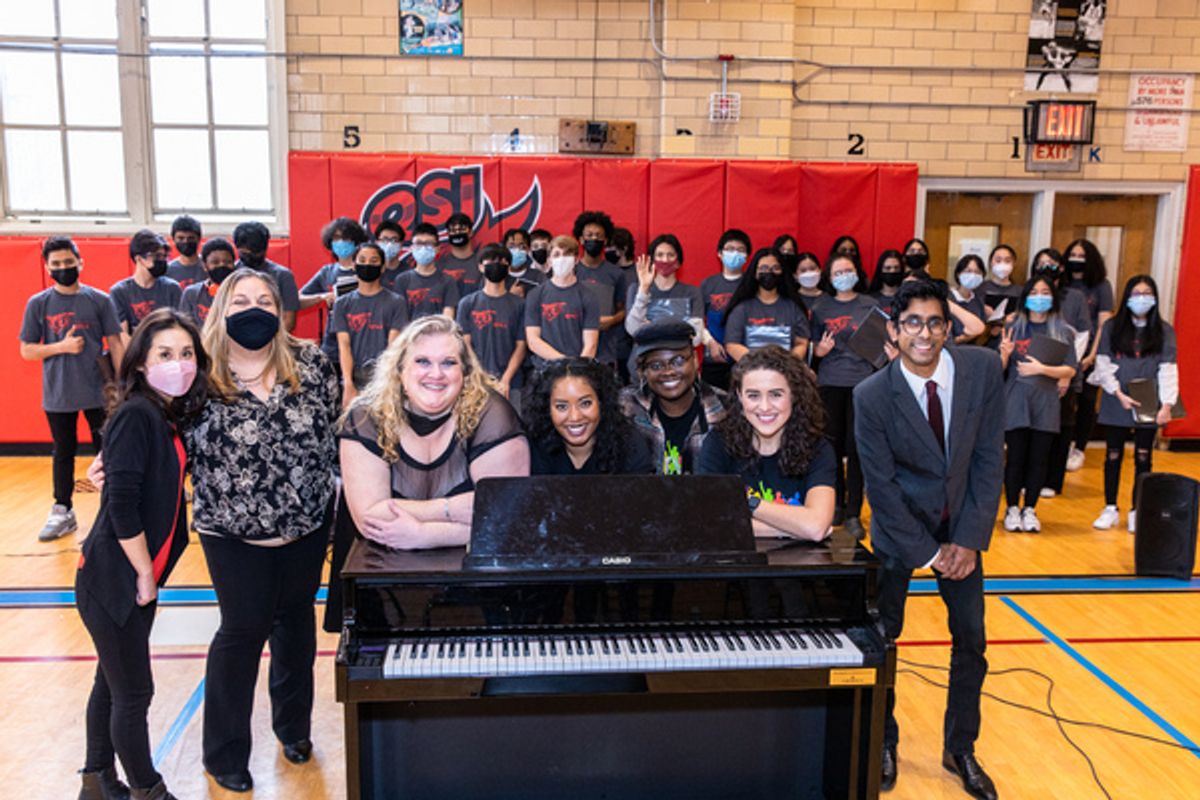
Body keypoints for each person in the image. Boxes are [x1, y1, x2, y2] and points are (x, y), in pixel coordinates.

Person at [190, 268, 340, 792]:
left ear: (281, 311)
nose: (254, 308)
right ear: (220, 308)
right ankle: (224, 753)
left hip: (307, 523)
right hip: (231, 532)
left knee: (296, 620)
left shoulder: (313, 363)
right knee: (243, 629)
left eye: (266, 300)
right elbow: (158, 429)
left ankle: (293, 728)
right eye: (241, 300)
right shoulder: (197, 372)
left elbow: (332, 431)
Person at [854, 279, 1004, 800]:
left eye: (935, 321)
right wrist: (930, 551)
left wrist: (967, 539)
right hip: (901, 531)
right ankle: (885, 741)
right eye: (912, 322)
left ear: (949, 326)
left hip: (962, 525)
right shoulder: (870, 395)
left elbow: (988, 457)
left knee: (972, 641)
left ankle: (960, 747)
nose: (925, 332)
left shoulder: (982, 370)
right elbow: (881, 487)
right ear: (894, 331)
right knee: (883, 640)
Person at [75, 308, 208, 800]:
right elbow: (123, 508)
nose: (179, 363)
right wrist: (144, 574)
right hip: (116, 578)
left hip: (129, 576)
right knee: (134, 694)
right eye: (165, 354)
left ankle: (96, 780)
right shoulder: (138, 414)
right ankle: (149, 790)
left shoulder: (163, 414)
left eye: (186, 354)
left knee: (110, 683)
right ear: (141, 363)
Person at [338, 314, 531, 549]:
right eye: (422, 361)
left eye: (449, 363)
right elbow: (370, 518)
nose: (436, 374)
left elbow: (504, 515)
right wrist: (454, 508)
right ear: (400, 371)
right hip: (380, 568)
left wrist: (425, 534)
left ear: (465, 373)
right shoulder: (366, 416)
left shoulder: (492, 414)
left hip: (471, 571)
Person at [20, 236, 126, 541]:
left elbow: (116, 342)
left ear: (80, 262)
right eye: (56, 264)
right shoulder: (38, 304)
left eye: (68, 262)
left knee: (107, 450)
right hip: (59, 393)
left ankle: (113, 507)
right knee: (63, 451)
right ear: (47, 267)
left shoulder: (99, 300)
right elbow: (27, 350)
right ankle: (62, 509)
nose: (63, 268)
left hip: (99, 392)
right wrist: (62, 346)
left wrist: (122, 383)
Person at [696, 346, 835, 540]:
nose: (765, 407)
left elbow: (816, 527)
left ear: (794, 395)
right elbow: (707, 522)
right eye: (753, 395)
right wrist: (794, 528)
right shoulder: (719, 442)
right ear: (739, 396)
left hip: (799, 565)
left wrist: (748, 502)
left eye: (776, 394)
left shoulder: (818, 448)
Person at [1090, 276, 1177, 533]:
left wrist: (1167, 404)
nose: (1141, 298)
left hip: (1148, 399)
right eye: (1136, 293)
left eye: (1147, 293)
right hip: (1118, 399)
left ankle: (1137, 509)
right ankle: (1110, 507)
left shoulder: (1164, 330)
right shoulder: (1112, 327)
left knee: (1143, 456)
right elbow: (1103, 363)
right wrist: (1117, 392)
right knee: (1113, 455)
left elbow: (1168, 369)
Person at [998, 275, 1078, 533]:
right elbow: (1000, 369)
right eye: (1035, 292)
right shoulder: (1013, 325)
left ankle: (1030, 509)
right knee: (1016, 457)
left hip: (1046, 400)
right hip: (1016, 398)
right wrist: (1004, 354)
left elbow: (1071, 369)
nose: (1040, 297)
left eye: (1045, 292)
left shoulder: (1062, 330)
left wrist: (1043, 369)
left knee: (1039, 458)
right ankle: (1011, 508)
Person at [808, 252, 879, 539]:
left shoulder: (870, 305)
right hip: (829, 383)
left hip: (862, 384)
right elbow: (810, 346)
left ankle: (853, 512)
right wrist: (818, 352)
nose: (843, 276)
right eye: (837, 272)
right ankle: (835, 504)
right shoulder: (820, 306)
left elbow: (880, 346)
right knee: (831, 447)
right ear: (829, 276)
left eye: (847, 270)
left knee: (858, 447)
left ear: (857, 273)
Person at [620, 318, 729, 475]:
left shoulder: (725, 408)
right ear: (642, 372)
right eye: (656, 365)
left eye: (678, 361)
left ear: (696, 360)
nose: (668, 372)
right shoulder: (626, 407)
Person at [1029, 248, 1091, 497]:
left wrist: (1067, 369)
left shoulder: (1073, 297)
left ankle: (1053, 481)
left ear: (1061, 267)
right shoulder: (1029, 295)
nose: (1046, 267)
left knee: (1061, 426)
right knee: (1033, 429)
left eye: (1051, 263)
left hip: (1065, 371)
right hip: (1033, 373)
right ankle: (1031, 478)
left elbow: (1082, 335)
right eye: (1041, 263)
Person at [524, 357, 652, 475]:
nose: (575, 417)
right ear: (547, 409)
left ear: (602, 403)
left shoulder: (631, 446)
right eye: (561, 407)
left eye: (585, 403)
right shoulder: (532, 448)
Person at [624, 234, 721, 373]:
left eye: (670, 255)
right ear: (652, 259)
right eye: (660, 255)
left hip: (680, 367)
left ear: (678, 261)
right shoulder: (636, 289)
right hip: (643, 368)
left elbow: (696, 336)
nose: (665, 260)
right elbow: (633, 329)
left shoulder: (692, 292)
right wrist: (644, 290)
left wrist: (652, 328)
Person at [331, 242, 409, 408]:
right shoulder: (342, 304)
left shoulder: (396, 302)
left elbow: (393, 346)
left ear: (382, 267)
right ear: (354, 265)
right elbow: (344, 345)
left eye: (374, 261)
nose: (367, 265)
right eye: (362, 260)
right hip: (354, 376)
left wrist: (385, 383)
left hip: (383, 377)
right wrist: (348, 384)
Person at [456, 243, 528, 406]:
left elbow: (521, 346)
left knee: (511, 428)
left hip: (512, 383)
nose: (496, 266)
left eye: (502, 262)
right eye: (491, 262)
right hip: (475, 381)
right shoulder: (467, 303)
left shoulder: (520, 305)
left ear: (508, 267)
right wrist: (480, 377)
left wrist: (506, 380)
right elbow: (465, 344)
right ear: (481, 267)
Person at [1065, 238, 1114, 470]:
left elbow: (1104, 323)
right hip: (1065, 352)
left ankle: (1079, 448)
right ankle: (1062, 445)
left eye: (1081, 256)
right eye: (1072, 255)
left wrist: (1091, 355)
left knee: (1086, 401)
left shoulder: (1101, 286)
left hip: (1089, 354)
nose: (1076, 260)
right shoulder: (1063, 284)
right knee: (1064, 402)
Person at [524, 235, 601, 367]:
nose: (562, 259)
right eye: (557, 254)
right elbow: (533, 341)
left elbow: (591, 344)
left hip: (579, 369)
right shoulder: (535, 295)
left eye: (567, 254)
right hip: (545, 369)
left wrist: (577, 368)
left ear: (576, 259)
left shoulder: (589, 296)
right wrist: (564, 363)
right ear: (549, 261)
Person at [723, 247, 811, 362]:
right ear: (755, 273)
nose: (769, 272)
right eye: (763, 268)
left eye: (775, 268)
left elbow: (801, 343)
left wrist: (787, 364)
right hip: (750, 372)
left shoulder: (793, 307)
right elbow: (732, 344)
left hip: (786, 373)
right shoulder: (741, 308)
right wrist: (757, 364)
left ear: (782, 272)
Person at [700, 228, 753, 389]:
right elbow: (697, 320)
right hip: (715, 357)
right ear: (720, 254)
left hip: (746, 358)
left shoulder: (753, 285)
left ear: (747, 256)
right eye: (730, 249)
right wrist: (710, 343)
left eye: (740, 250)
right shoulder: (708, 284)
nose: (735, 253)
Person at [573, 210, 626, 368]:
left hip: (605, 351)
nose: (594, 239)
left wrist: (612, 320)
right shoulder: (571, 271)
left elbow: (623, 310)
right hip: (574, 348)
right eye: (589, 235)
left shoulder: (616, 274)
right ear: (581, 239)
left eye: (598, 235)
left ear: (606, 240)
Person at [110, 230, 182, 339]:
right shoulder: (119, 292)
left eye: (164, 256)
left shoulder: (172, 288)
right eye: (157, 256)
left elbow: (178, 329)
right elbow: (122, 335)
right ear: (139, 259)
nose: (162, 260)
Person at [232, 221, 301, 332]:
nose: (251, 257)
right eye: (246, 253)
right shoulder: (230, 274)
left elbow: (289, 321)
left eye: (256, 253)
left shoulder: (282, 275)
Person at [391, 222, 460, 320]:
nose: (423, 248)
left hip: (438, 333)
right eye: (419, 243)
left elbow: (448, 318)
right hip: (410, 333)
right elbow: (399, 315)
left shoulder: (448, 281)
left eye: (428, 244)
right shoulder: (402, 280)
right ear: (412, 248)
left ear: (437, 248)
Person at [179, 237, 236, 327]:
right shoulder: (191, 294)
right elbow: (186, 328)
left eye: (227, 262)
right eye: (215, 262)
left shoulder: (243, 293)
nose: (222, 265)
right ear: (205, 265)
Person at [980, 244, 1023, 349]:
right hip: (983, 341)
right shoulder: (980, 288)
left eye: (1007, 261)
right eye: (998, 260)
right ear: (991, 263)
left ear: (1013, 264)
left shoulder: (1020, 291)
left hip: (1011, 342)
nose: (1002, 264)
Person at [438, 212, 482, 295]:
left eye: (461, 229)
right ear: (448, 234)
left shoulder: (481, 264)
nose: (457, 233)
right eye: (453, 230)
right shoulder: (439, 265)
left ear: (470, 232)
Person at [950, 255, 988, 345]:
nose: (973, 275)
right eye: (968, 271)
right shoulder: (948, 299)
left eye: (977, 272)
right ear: (958, 274)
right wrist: (963, 339)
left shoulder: (978, 300)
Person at [165, 215, 205, 289]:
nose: (186, 241)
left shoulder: (208, 267)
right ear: (173, 239)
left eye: (191, 238)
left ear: (199, 238)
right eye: (181, 238)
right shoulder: (167, 270)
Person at [502, 227, 543, 297]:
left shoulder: (539, 277)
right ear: (504, 249)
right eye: (511, 246)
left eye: (522, 247)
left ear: (528, 250)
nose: (517, 250)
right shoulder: (497, 276)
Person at [868, 249, 905, 317]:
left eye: (896, 268)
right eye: (888, 268)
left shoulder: (906, 297)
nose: (892, 271)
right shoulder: (869, 299)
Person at [374, 220, 408, 292]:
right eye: (385, 239)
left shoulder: (409, 272)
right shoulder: (371, 271)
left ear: (401, 244)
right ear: (377, 243)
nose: (389, 244)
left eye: (394, 240)